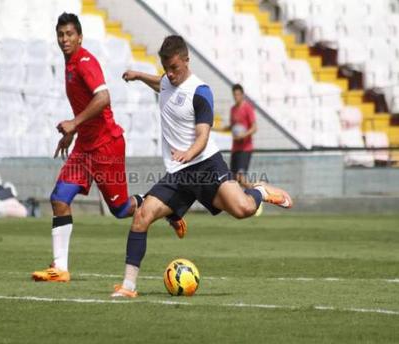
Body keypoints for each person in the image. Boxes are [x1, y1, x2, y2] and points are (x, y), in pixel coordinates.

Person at [112, 35, 292, 298]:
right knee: (142, 216)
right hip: (178, 172)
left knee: (243, 210)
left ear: (186, 60)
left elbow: (204, 136)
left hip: (206, 165)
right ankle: (128, 286)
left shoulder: (200, 91)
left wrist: (188, 153)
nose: (170, 74)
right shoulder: (166, 81)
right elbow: (160, 84)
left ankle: (261, 191)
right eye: (166, 68)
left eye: (175, 68)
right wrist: (139, 75)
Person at [32, 13, 186, 283]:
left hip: (106, 145)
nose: (65, 39)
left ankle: (167, 207)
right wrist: (73, 132)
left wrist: (73, 122)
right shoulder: (69, 64)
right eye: (61, 34)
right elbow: (85, 106)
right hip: (84, 146)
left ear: (80, 37)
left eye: (69, 34)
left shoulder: (85, 62)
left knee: (121, 209)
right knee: (59, 198)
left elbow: (103, 98)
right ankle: (60, 268)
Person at [228, 84, 257, 186]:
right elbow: (232, 127)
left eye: (238, 94)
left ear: (242, 95)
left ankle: (258, 195)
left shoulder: (248, 108)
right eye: (234, 95)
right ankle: (238, 201)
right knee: (232, 180)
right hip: (235, 149)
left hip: (245, 149)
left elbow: (254, 128)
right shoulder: (233, 109)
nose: (236, 97)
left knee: (240, 178)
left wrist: (243, 135)